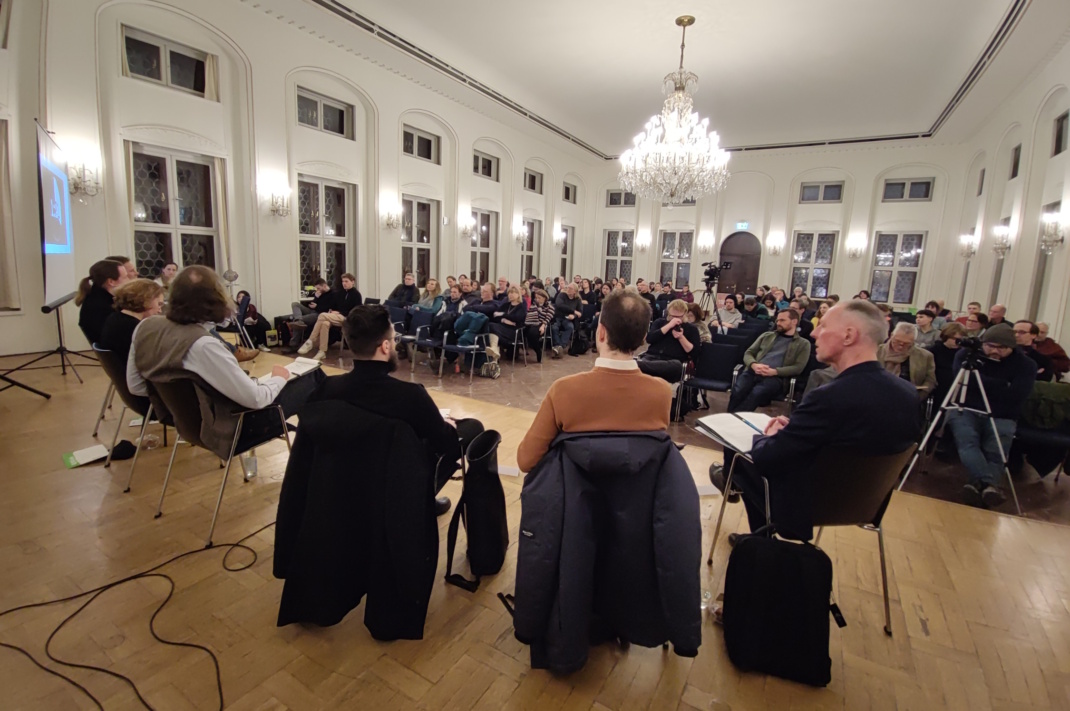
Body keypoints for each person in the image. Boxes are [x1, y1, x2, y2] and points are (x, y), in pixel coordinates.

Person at [710, 300, 920, 542]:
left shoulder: (829, 397)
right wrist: (799, 430)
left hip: (808, 504)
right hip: (867, 503)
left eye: (824, 326)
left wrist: (769, 438)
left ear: (849, 335)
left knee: (742, 458)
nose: (814, 332)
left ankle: (762, 542)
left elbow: (768, 458)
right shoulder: (907, 393)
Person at [127, 266, 324, 453]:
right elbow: (256, 399)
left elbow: (135, 386)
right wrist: (279, 377)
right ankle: (319, 450)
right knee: (313, 378)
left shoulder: (144, 327)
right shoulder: (204, 345)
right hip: (229, 430)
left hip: (183, 423)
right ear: (216, 299)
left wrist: (182, 405)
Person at [307, 305, 482, 515]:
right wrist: (447, 427)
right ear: (385, 346)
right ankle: (424, 496)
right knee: (472, 427)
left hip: (342, 482)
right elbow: (444, 442)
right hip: (396, 483)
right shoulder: (410, 396)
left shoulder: (326, 389)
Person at [517, 290, 671, 471]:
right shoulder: (662, 392)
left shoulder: (564, 390)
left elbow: (526, 461)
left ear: (601, 332)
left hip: (575, 494)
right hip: (636, 496)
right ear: (644, 337)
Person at [945, 324, 1036, 508]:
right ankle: (989, 485)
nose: (995, 351)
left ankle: (977, 486)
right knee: (967, 442)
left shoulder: (1026, 365)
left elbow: (1017, 394)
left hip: (1003, 414)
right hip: (965, 408)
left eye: (1002, 348)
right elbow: (961, 380)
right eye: (990, 346)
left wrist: (980, 383)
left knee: (996, 452)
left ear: (1012, 347)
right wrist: (1002, 385)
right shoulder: (967, 355)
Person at [727, 309, 811, 413]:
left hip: (776, 377)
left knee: (757, 393)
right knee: (738, 390)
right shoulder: (767, 336)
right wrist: (754, 365)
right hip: (754, 371)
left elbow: (798, 367)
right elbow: (749, 353)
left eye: (782, 320)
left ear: (794, 321)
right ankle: (731, 418)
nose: (778, 323)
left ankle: (734, 419)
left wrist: (774, 371)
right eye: (777, 320)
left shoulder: (803, 344)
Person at [99, 279, 165, 370]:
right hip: (136, 377)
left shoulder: (114, 317)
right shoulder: (135, 328)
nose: (160, 310)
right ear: (146, 300)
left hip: (121, 376)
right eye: (159, 304)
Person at [298, 273, 363, 360]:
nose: (344, 283)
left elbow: (356, 311)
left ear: (353, 282)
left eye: (346, 281)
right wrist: (331, 310)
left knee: (322, 315)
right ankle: (322, 351)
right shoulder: (341, 293)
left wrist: (339, 312)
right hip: (337, 316)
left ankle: (310, 341)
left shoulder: (356, 295)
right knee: (325, 323)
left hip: (347, 318)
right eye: (343, 281)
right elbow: (333, 304)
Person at [637, 299, 700, 384]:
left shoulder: (691, 329)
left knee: (675, 366)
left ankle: (639, 365)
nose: (675, 319)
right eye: (672, 316)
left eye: (678, 317)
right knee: (646, 363)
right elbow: (649, 339)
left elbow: (694, 352)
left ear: (685, 313)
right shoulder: (659, 322)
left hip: (672, 362)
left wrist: (681, 337)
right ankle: (643, 366)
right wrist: (669, 326)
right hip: (652, 357)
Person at [876, 322, 937, 400]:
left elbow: (931, 380)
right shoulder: (876, 351)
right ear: (891, 336)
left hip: (909, 399)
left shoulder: (925, 356)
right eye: (897, 341)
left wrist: (918, 397)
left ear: (914, 342)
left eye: (906, 344)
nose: (900, 346)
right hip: (877, 397)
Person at [77, 259, 129, 345]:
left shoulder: (96, 295)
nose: (129, 280)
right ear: (111, 282)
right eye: (125, 277)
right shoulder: (99, 306)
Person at [928, 322, 966, 407]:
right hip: (938, 386)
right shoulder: (934, 350)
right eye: (954, 339)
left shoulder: (963, 353)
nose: (957, 342)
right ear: (946, 336)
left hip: (957, 387)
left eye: (960, 339)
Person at [289, 278, 333, 348]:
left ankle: (293, 344)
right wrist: (316, 297)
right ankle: (298, 320)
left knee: (298, 321)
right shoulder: (320, 293)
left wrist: (316, 307)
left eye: (318, 288)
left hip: (320, 314)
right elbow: (313, 304)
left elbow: (327, 309)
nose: (317, 290)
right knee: (295, 304)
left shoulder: (332, 294)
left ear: (324, 286)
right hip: (313, 310)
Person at [488, 285, 528, 359]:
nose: (510, 295)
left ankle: (494, 351)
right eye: (509, 293)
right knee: (490, 326)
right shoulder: (506, 305)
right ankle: (494, 353)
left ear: (518, 294)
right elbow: (495, 316)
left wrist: (503, 315)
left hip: (514, 331)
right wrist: (503, 320)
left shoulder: (521, 306)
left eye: (513, 293)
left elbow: (518, 318)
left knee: (492, 327)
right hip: (503, 328)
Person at [550, 282, 582, 358]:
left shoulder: (577, 300)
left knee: (570, 327)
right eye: (567, 287)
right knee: (554, 327)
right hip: (558, 317)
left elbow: (580, 312)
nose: (567, 289)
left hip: (568, 319)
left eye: (570, 288)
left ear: (575, 291)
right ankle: (559, 347)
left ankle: (559, 347)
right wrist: (574, 311)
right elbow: (560, 305)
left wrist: (573, 316)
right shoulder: (561, 295)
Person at [523, 288, 555, 363]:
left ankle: (538, 351)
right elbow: (528, 314)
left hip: (541, 324)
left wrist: (543, 326)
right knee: (523, 332)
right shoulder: (533, 305)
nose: (537, 299)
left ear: (544, 298)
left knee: (532, 334)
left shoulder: (550, 307)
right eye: (536, 297)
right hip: (530, 323)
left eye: (539, 298)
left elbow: (548, 318)